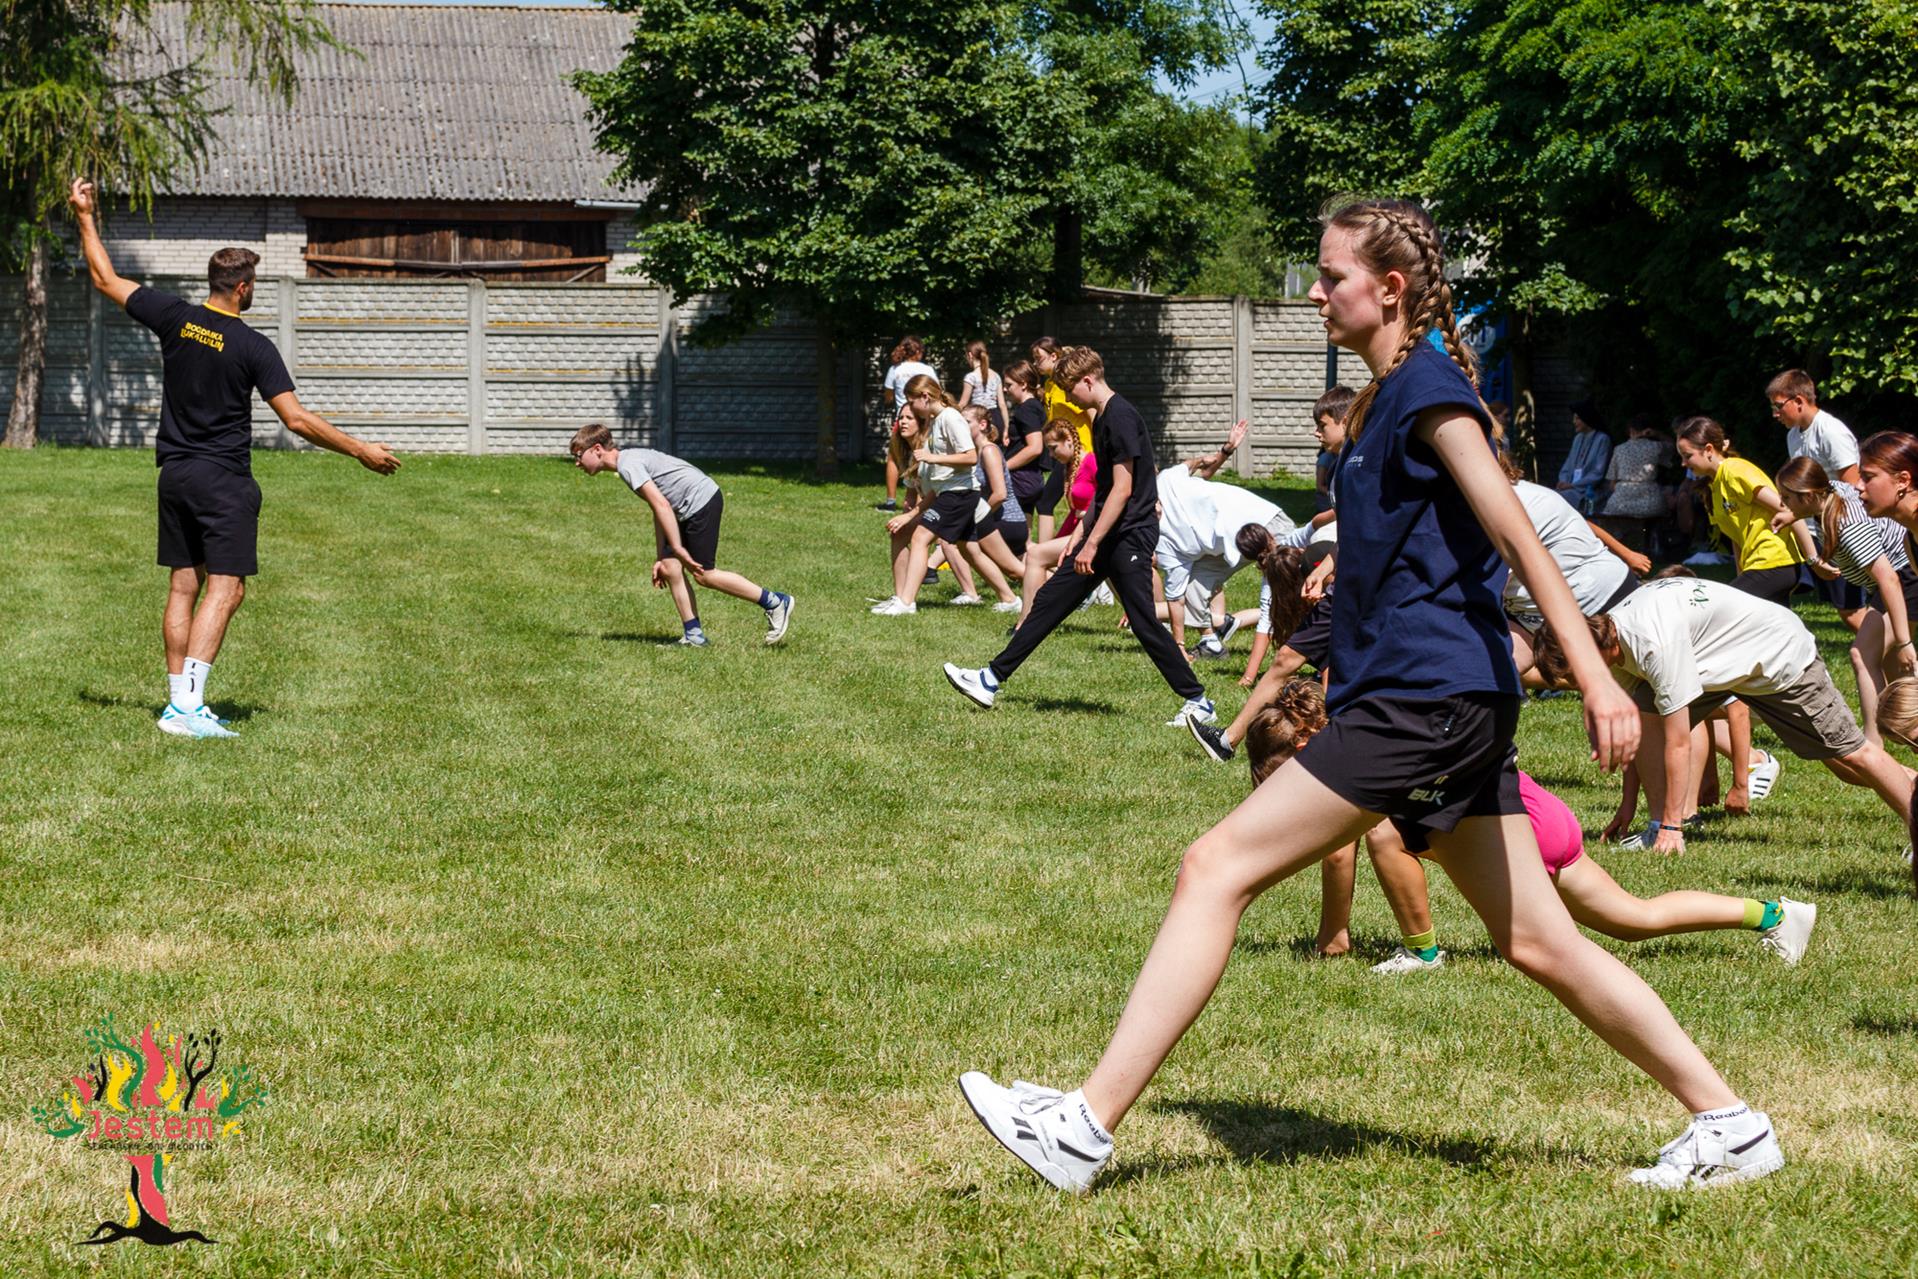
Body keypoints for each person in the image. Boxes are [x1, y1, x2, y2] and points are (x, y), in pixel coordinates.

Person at [958, 198, 1782, 1194]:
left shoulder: (1428, 388)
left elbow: (1513, 530)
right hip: (1442, 697)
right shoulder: (1389, 395)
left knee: (1214, 866)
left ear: (1388, 289)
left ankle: (1083, 1127)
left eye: (1330, 275)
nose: (1314, 292)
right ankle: (1730, 1122)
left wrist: (1598, 674)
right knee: (1537, 938)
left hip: (1423, 700)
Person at [67, 178, 402, 740]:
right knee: (227, 589)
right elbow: (296, 419)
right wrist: (360, 450)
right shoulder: (252, 346)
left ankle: (177, 705)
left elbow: (104, 278)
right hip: (222, 482)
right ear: (243, 288)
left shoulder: (175, 317)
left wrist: (84, 214)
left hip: (175, 475)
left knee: (184, 585)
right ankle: (188, 708)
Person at [1243, 683, 1820, 973]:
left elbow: (1338, 852)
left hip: (1518, 829)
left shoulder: (1358, 759)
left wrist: (1333, 940)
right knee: (1633, 919)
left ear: (1304, 746)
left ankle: (1422, 954)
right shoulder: (1371, 725)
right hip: (1539, 813)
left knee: (1383, 832)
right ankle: (1773, 914)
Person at [1531, 576, 1914, 856]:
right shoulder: (1611, 642)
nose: (1582, 684)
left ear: (1590, 647)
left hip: (1778, 659)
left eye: (1575, 675)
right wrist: (1627, 807)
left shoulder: (1651, 642)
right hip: (1725, 666)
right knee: (1646, 714)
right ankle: (1654, 827)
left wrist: (1674, 827)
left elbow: (1679, 742)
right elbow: (1638, 733)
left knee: (1852, 760)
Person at [943, 346, 1216, 728]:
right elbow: (1104, 489)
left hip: (1129, 535)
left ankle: (1198, 701)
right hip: (1106, 532)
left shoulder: (1120, 417)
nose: (1068, 398)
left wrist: (1092, 543)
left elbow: (1123, 489)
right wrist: (1080, 534)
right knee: (1050, 600)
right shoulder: (1102, 417)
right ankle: (990, 679)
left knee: (1143, 621)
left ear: (1088, 380)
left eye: (1070, 389)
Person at [570, 426, 794, 645]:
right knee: (669, 566)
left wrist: (677, 548)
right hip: (688, 505)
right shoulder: (628, 462)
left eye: (578, 455)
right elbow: (658, 508)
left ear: (597, 449)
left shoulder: (628, 465)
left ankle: (775, 602)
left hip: (701, 501)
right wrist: (662, 555)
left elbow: (663, 505)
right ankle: (694, 636)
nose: (577, 463)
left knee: (705, 575)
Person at [1775, 456, 1917, 746]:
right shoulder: (1830, 491)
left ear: (1809, 495)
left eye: (1787, 498)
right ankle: (1906, 726)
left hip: (1904, 578)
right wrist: (1792, 515)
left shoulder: (1847, 525)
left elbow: (1888, 579)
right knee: (1890, 662)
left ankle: (1874, 744)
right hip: (1896, 579)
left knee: (1863, 655)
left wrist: (1904, 641)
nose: (1781, 503)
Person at [1151, 419, 1289, 654]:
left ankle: (1309, 637)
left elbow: (1196, 466)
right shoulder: (1164, 542)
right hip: (1227, 545)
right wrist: (1179, 646)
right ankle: (1210, 643)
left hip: (1263, 521)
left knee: (1295, 582)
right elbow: (1175, 598)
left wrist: (1225, 451)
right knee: (1192, 586)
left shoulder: (1167, 479)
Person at [872, 376, 986, 615]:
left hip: (959, 492)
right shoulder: (937, 420)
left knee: (921, 538)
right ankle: (902, 598)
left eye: (912, 403)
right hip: (947, 492)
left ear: (925, 396)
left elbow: (971, 457)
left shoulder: (951, 418)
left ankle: (906, 602)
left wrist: (933, 458)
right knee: (916, 537)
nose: (911, 410)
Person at [1674, 416, 1802, 606]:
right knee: (1770, 623)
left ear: (1708, 450)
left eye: (1687, 455)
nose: (1683, 463)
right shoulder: (1712, 486)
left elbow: (1790, 510)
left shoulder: (1735, 471)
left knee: (1722, 609)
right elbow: (1736, 534)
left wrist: (1814, 559)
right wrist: (1741, 574)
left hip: (1775, 562)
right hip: (1758, 565)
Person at [1013, 422, 1097, 627]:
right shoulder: (1069, 467)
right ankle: (1032, 619)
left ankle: (1026, 623)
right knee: (1038, 558)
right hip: (1077, 530)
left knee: (1035, 555)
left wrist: (1087, 513)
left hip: (1093, 532)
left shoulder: (1092, 462)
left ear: (1068, 441)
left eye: (1053, 448)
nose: (1050, 455)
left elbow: (1109, 495)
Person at [1599, 413, 1678, 554]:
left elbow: (1611, 482)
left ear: (1630, 430)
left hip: (1620, 503)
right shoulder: (1655, 447)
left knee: (1609, 516)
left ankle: (1616, 547)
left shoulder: (1619, 449)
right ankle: (1654, 545)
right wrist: (1657, 434)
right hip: (1651, 503)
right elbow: (1674, 446)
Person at [877, 336, 938, 512]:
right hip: (922, 420)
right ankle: (920, 501)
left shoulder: (895, 369)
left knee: (893, 458)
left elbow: (888, 396)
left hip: (902, 417)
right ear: (918, 351)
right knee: (922, 457)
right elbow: (936, 391)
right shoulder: (927, 369)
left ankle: (890, 502)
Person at [1771, 368, 1860, 486]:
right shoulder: (1792, 435)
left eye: (1778, 406)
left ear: (1798, 401)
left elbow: (1853, 487)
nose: (1775, 414)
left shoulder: (1831, 432)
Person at [1000, 361, 1050, 537]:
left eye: (1008, 385)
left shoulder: (1027, 409)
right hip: (1030, 478)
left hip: (1021, 479)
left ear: (1023, 384)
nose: (1004, 389)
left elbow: (1035, 447)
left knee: (998, 532)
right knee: (1023, 539)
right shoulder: (1031, 406)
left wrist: (1003, 467)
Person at [1555, 401, 1612, 514]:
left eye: (1577, 419)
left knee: (1559, 499)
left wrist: (1573, 485)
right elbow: (1568, 465)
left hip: (1589, 490)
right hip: (1570, 488)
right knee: (1552, 495)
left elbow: (1597, 473)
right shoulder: (1578, 438)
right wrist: (1563, 482)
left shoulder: (1602, 439)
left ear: (1586, 418)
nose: (1574, 422)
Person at [1312, 386, 1354, 513]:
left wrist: (1317, 522)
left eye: (1322, 426)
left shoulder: (1358, 466)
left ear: (1345, 423)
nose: (1316, 433)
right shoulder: (1336, 464)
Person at [959, 340, 1006, 437]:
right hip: (996, 418)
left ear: (970, 355)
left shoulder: (971, 377)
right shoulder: (996, 376)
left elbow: (963, 403)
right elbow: (1002, 404)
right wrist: (1006, 427)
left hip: (979, 417)